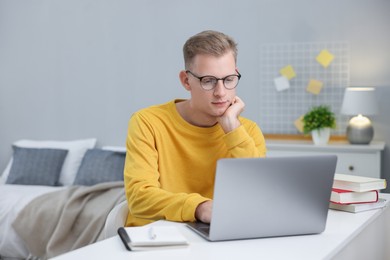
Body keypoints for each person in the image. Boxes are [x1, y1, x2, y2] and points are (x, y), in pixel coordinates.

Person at [123, 30, 267, 227]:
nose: (221, 92)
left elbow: (259, 196)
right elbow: (139, 198)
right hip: (156, 238)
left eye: (229, 79)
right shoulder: (147, 122)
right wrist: (199, 207)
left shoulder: (247, 131)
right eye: (208, 81)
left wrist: (232, 128)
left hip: (219, 238)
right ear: (186, 80)